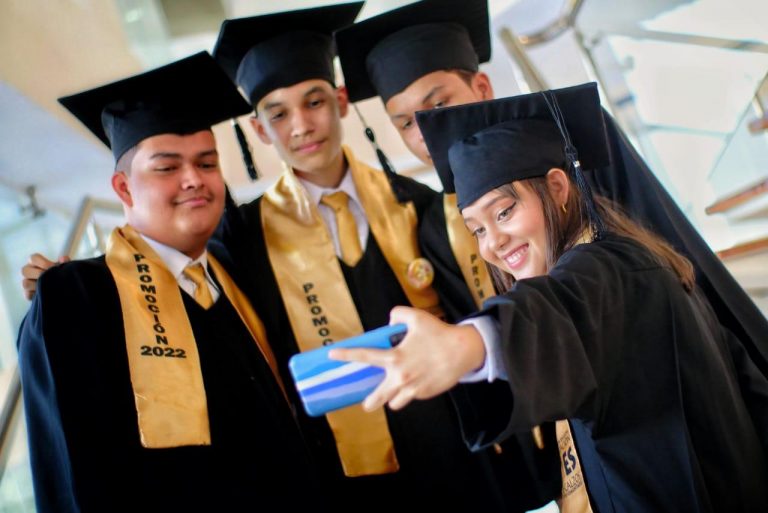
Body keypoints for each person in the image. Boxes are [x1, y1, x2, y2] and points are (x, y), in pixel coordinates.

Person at [331, 84, 768, 512]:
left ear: (558, 188)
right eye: (477, 229)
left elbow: (562, 306)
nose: (493, 244)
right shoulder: (641, 260)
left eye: (504, 212)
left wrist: (468, 343)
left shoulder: (614, 268)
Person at [334, 0, 768, 373]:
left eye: (439, 104)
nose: (427, 133)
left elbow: (647, 255)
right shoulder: (430, 224)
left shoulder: (570, 150)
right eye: (406, 123)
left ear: (481, 87)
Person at [209, 5, 521, 511]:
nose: (302, 126)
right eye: (279, 113)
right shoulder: (241, 241)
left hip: (457, 460)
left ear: (341, 102)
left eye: (314, 102)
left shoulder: (422, 206)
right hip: (345, 479)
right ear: (260, 130)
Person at [16, 52, 324, 513]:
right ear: (122, 188)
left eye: (206, 163)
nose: (193, 180)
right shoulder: (79, 296)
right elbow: (75, 474)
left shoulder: (238, 277)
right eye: (166, 167)